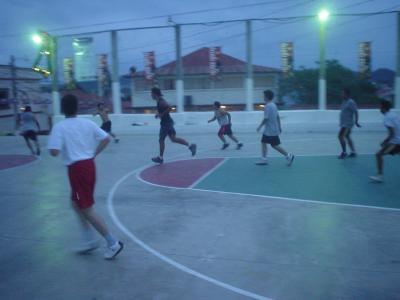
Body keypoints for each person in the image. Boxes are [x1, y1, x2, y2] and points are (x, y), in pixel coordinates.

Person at [48, 94, 124, 260]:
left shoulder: (60, 127)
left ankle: (113, 243)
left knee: (86, 208)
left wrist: (58, 144)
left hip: (77, 171)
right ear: (77, 107)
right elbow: (106, 139)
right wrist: (93, 154)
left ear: (62, 109)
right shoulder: (87, 123)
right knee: (76, 203)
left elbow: (54, 152)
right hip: (88, 167)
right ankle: (89, 239)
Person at [151, 87, 196, 164]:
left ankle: (160, 158)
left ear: (154, 94)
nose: (150, 95)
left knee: (161, 140)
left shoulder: (161, 101)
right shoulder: (160, 101)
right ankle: (190, 146)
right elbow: (166, 109)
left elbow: (169, 107)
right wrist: (159, 115)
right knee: (173, 139)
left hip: (166, 124)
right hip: (169, 122)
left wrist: (161, 115)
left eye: (151, 93)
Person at [256, 90, 294, 166]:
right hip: (273, 129)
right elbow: (277, 117)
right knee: (273, 144)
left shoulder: (268, 106)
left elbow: (266, 119)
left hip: (269, 131)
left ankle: (265, 159)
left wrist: (259, 126)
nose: (263, 97)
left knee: (268, 143)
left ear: (267, 97)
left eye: (264, 96)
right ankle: (288, 156)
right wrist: (279, 127)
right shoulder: (273, 105)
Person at [370, 100, 400, 183]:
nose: (379, 109)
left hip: (396, 142)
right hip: (397, 140)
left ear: (384, 108)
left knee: (378, 155)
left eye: (380, 107)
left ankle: (380, 176)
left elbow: (392, 134)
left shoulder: (387, 118)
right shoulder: (394, 114)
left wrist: (384, 142)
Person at [338, 88, 361, 159]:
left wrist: (356, 121)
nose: (341, 95)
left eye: (343, 93)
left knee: (340, 136)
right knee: (347, 136)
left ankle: (344, 153)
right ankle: (353, 152)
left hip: (347, 124)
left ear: (347, 94)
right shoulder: (344, 101)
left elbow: (356, 112)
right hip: (344, 123)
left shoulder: (351, 102)